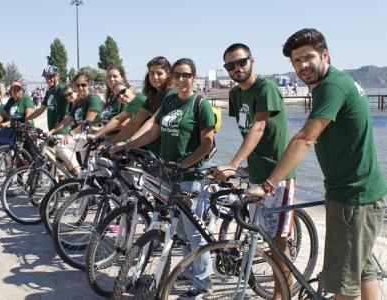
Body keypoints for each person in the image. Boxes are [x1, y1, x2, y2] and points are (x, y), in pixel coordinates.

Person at [247, 28, 387, 300]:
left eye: (308, 57)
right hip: (362, 193)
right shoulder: (337, 82)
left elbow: (305, 138)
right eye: (296, 61)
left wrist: (268, 185)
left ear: (325, 55)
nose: (303, 65)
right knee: (362, 272)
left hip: (352, 198)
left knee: (341, 284)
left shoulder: (331, 87)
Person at [124, 58, 215, 298]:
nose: (182, 79)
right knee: (181, 230)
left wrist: (184, 164)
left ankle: (203, 284)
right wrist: (127, 145)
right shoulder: (170, 99)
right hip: (167, 173)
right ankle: (188, 270)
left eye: (186, 75)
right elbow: (154, 131)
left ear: (194, 77)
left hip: (189, 175)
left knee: (194, 231)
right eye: (177, 75)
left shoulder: (200, 104)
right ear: (172, 78)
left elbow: (207, 143)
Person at [213, 43, 296, 298]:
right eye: (230, 65)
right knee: (264, 236)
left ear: (252, 61)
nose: (236, 68)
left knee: (278, 243)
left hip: (277, 174)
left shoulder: (266, 88)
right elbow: (244, 130)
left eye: (241, 62)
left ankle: (282, 293)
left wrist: (233, 164)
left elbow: (258, 128)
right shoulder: (236, 95)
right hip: (256, 173)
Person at [109, 56, 174, 154]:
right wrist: (111, 143)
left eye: (159, 73)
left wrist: (127, 143)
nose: (155, 77)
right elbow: (134, 123)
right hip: (155, 150)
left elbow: (152, 123)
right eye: (151, 73)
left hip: (170, 152)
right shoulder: (153, 95)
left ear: (168, 75)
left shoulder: (172, 94)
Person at [51, 72, 103, 175]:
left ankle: (76, 170)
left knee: (60, 145)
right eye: (77, 85)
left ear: (89, 84)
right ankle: (87, 186)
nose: (80, 88)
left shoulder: (93, 98)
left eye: (83, 85)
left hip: (92, 135)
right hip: (83, 136)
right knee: (90, 171)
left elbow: (87, 121)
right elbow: (67, 120)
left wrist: (70, 134)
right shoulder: (78, 102)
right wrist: (51, 131)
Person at [27, 65, 69, 135]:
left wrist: (68, 115)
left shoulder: (62, 89)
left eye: (51, 77)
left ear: (57, 76)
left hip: (63, 131)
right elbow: (41, 110)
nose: (48, 80)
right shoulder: (49, 92)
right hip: (52, 131)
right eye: (46, 77)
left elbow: (74, 103)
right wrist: (28, 118)